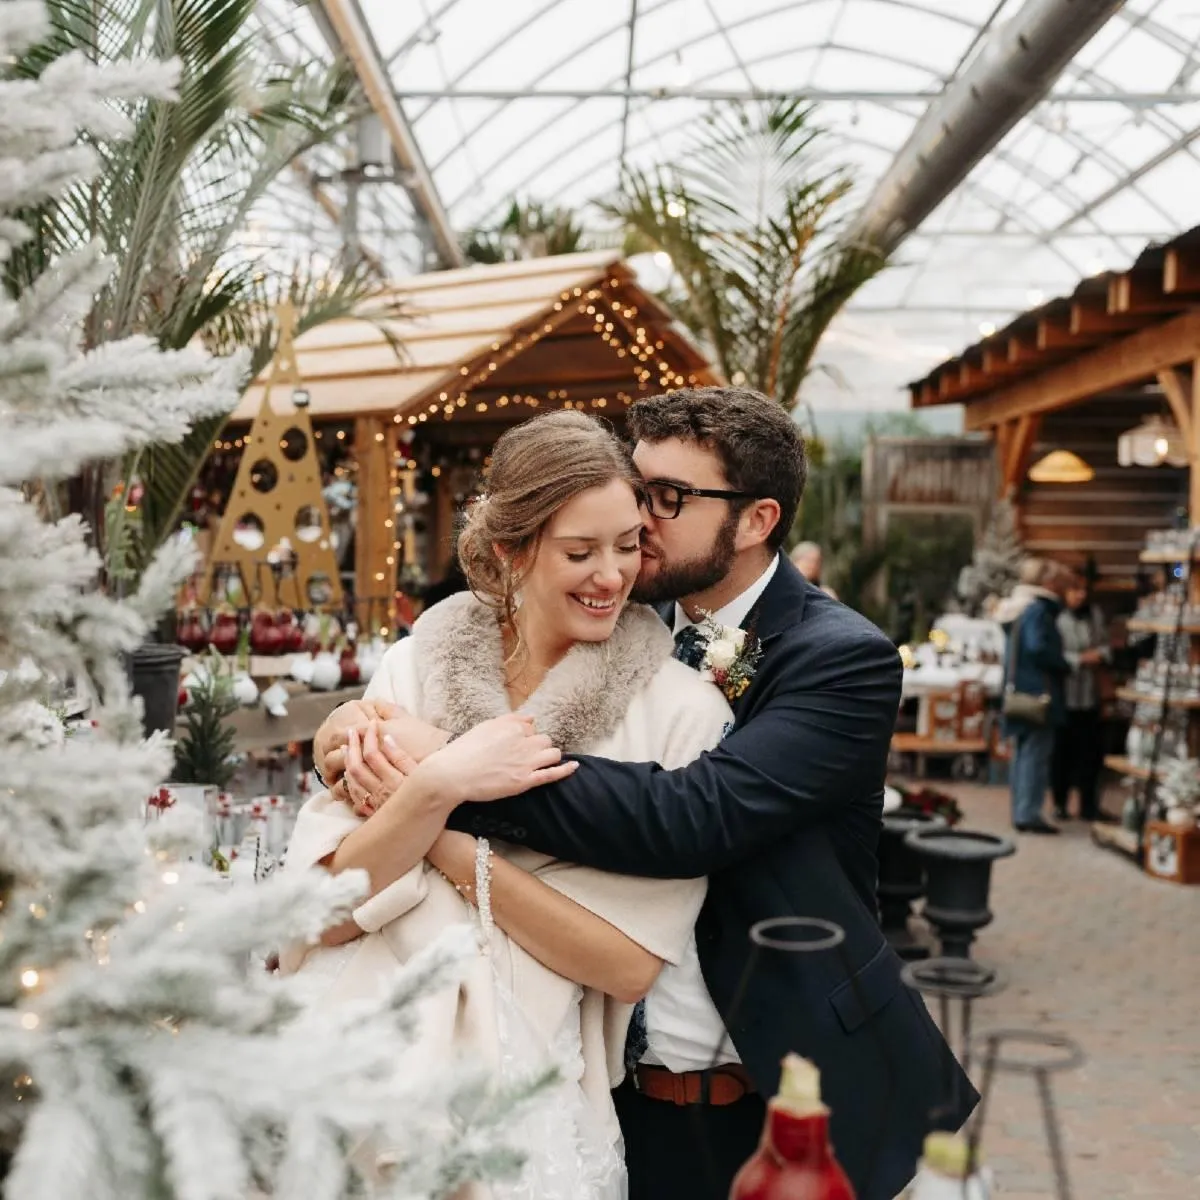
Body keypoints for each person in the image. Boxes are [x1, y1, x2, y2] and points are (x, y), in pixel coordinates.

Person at [314, 387, 976, 1200]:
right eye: (639, 488)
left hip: (770, 1082)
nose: (640, 522)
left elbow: (691, 816)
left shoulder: (840, 657)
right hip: (611, 1082)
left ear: (758, 520)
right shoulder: (624, 618)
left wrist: (443, 777)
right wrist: (348, 733)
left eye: (669, 498)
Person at [283, 411, 733, 1200]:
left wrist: (436, 828)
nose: (612, 575)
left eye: (627, 545)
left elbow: (627, 964)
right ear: (509, 551)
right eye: (580, 551)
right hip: (359, 1066)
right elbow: (324, 908)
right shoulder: (413, 669)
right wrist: (440, 783)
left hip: (534, 1103)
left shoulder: (681, 712)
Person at [995, 558, 1074, 834]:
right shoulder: (1038, 611)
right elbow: (1037, 647)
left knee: (1023, 753)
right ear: (1047, 583)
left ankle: (1022, 810)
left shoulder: (1016, 609)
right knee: (1035, 755)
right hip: (1038, 695)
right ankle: (1028, 813)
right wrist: (1063, 664)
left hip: (1019, 691)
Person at [1053, 574, 1110, 821]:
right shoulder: (1057, 618)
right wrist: (1079, 659)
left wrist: (1101, 655)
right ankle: (1060, 803)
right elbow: (1055, 654)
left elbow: (1105, 645)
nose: (1080, 595)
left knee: (1091, 754)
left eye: (1083, 590)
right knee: (1062, 753)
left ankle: (1089, 805)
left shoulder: (1095, 616)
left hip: (1090, 695)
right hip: (1066, 695)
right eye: (1075, 590)